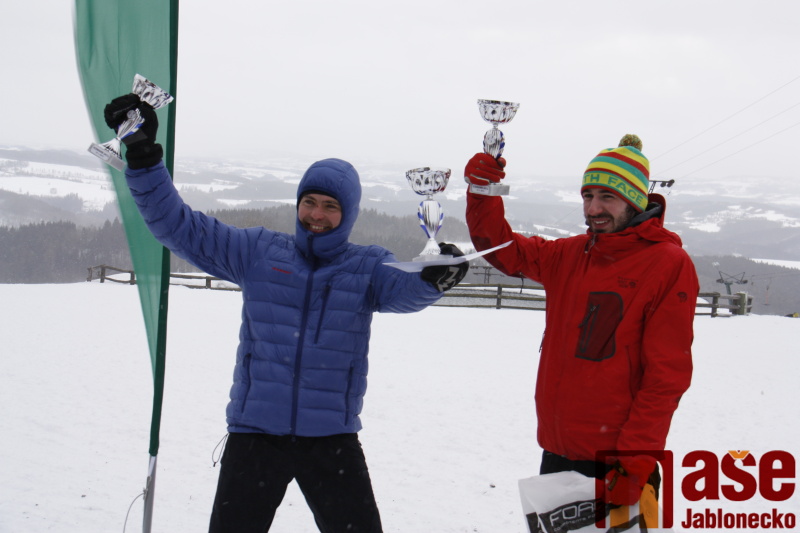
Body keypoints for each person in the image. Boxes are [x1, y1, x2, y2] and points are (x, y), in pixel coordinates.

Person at [103, 93, 469, 533]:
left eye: (330, 206)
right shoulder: (257, 251)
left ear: (349, 213)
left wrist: (432, 280)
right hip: (255, 435)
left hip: (331, 438)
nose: (316, 214)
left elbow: (403, 290)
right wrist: (143, 156)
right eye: (309, 201)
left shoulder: (366, 266)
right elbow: (177, 226)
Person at [463, 135, 699, 513]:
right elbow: (504, 250)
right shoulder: (571, 254)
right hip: (558, 451)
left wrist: (633, 464)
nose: (593, 208)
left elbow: (666, 376)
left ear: (635, 200)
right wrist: (482, 193)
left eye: (607, 197)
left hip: (617, 461)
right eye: (587, 196)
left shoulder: (667, 263)